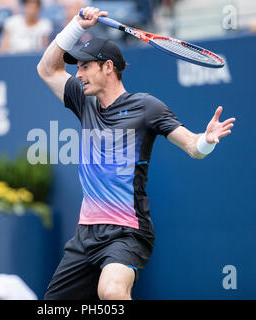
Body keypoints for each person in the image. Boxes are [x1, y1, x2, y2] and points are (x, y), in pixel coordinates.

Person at [37, 7, 235, 300]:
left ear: (108, 67)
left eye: (84, 67)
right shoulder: (83, 101)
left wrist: (206, 140)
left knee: (111, 291)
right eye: (76, 68)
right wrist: (76, 25)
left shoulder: (146, 107)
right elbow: (46, 68)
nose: (77, 75)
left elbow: (193, 147)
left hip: (128, 231)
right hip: (86, 234)